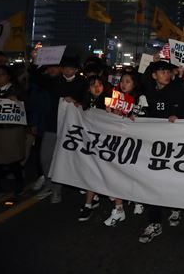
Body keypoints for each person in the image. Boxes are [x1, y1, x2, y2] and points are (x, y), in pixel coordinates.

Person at [138, 60, 184, 244]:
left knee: (174, 178)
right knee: (154, 182)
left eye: (168, 71)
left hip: (176, 144)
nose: (166, 75)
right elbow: (141, 112)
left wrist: (180, 116)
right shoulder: (148, 92)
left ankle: (176, 208)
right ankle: (154, 223)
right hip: (154, 145)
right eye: (162, 71)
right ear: (154, 75)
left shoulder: (178, 88)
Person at [34, 56, 87, 204]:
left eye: (72, 68)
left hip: (71, 127)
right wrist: (36, 62)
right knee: (45, 158)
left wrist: (77, 102)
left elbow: (87, 101)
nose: (68, 71)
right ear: (61, 69)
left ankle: (56, 190)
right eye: (65, 68)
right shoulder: (54, 81)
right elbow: (36, 78)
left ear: (76, 70)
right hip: (52, 125)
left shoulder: (82, 82)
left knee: (61, 160)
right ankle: (48, 184)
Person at [104, 72, 146, 226]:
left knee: (132, 173)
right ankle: (119, 208)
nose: (124, 84)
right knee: (115, 174)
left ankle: (137, 199)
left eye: (128, 81)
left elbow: (146, 118)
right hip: (117, 142)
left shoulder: (141, 99)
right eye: (122, 81)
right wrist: (110, 112)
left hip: (134, 145)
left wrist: (135, 118)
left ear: (134, 84)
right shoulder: (115, 98)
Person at [0, 65, 28, 199]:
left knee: (12, 159)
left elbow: (29, 106)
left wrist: (19, 101)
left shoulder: (19, 90)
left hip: (11, 130)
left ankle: (20, 183)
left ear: (9, 77)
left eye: (1, 74)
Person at [77, 76, 107, 222]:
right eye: (93, 85)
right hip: (88, 144)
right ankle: (91, 201)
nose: (97, 88)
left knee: (96, 173)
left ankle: (89, 203)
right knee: (91, 172)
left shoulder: (108, 102)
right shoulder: (83, 103)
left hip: (104, 145)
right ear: (88, 88)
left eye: (100, 84)